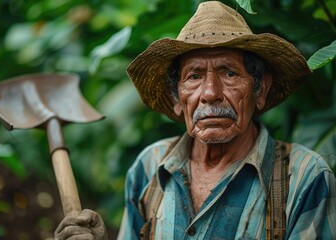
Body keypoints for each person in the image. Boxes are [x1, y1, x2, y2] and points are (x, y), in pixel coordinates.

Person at [55, 1, 336, 239]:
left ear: (259, 89)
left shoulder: (304, 178)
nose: (210, 93)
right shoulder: (149, 167)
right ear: (176, 99)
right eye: (194, 76)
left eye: (229, 73)